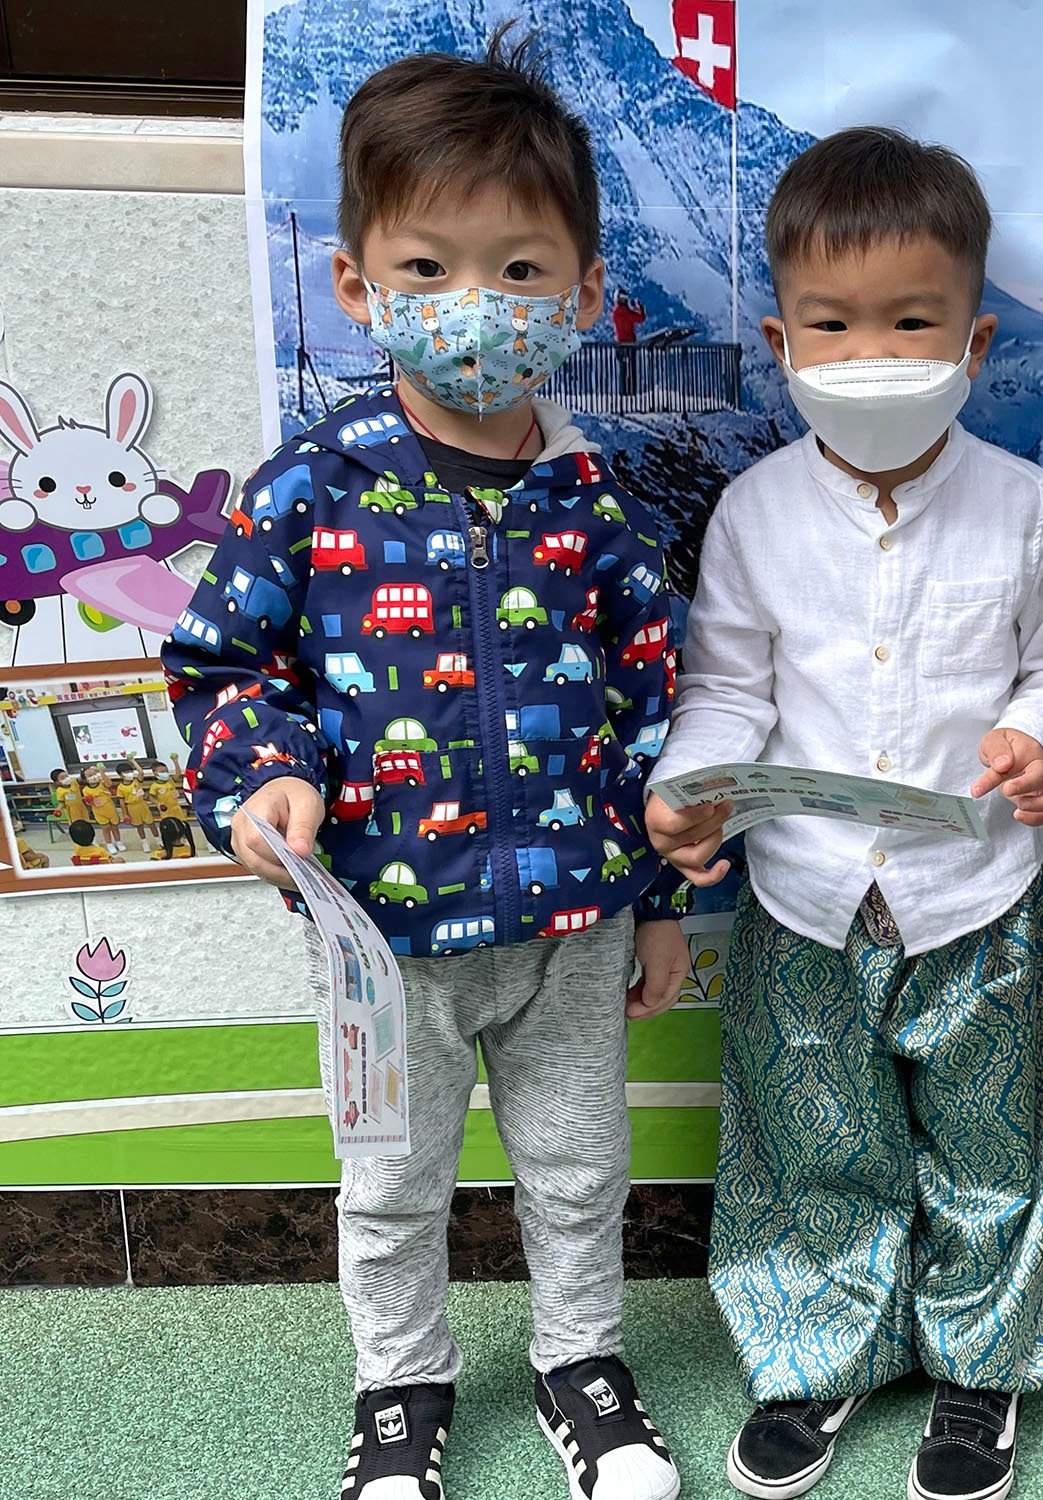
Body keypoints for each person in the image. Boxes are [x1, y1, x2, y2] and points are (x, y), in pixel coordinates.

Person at [160, 27, 688, 1500]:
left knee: (580, 1168)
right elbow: (221, 666)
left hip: (575, 927)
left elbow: (652, 710)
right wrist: (260, 776)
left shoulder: (597, 505)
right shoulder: (307, 489)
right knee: (391, 1184)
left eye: (520, 270)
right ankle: (399, 1388)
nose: (479, 304)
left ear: (582, 289)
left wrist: (660, 901)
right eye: (430, 267)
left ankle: (584, 1364)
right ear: (356, 284)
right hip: (380, 933)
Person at [645, 126, 1043, 1500]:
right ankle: (816, 1354)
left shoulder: (1023, 507)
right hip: (804, 896)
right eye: (833, 325)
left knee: (993, 1141)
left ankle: (982, 1365)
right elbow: (728, 687)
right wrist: (690, 785)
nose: (870, 353)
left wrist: (1035, 736)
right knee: (813, 1136)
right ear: (781, 339)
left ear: (974, 341)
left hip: (979, 896)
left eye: (910, 321)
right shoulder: (754, 512)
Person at [611, 290, 646, 401]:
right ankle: (632, 392)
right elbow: (641, 318)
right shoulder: (627, 312)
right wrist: (639, 307)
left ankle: (623, 392)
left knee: (622, 369)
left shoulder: (615, 312)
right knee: (632, 369)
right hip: (630, 344)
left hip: (620, 344)